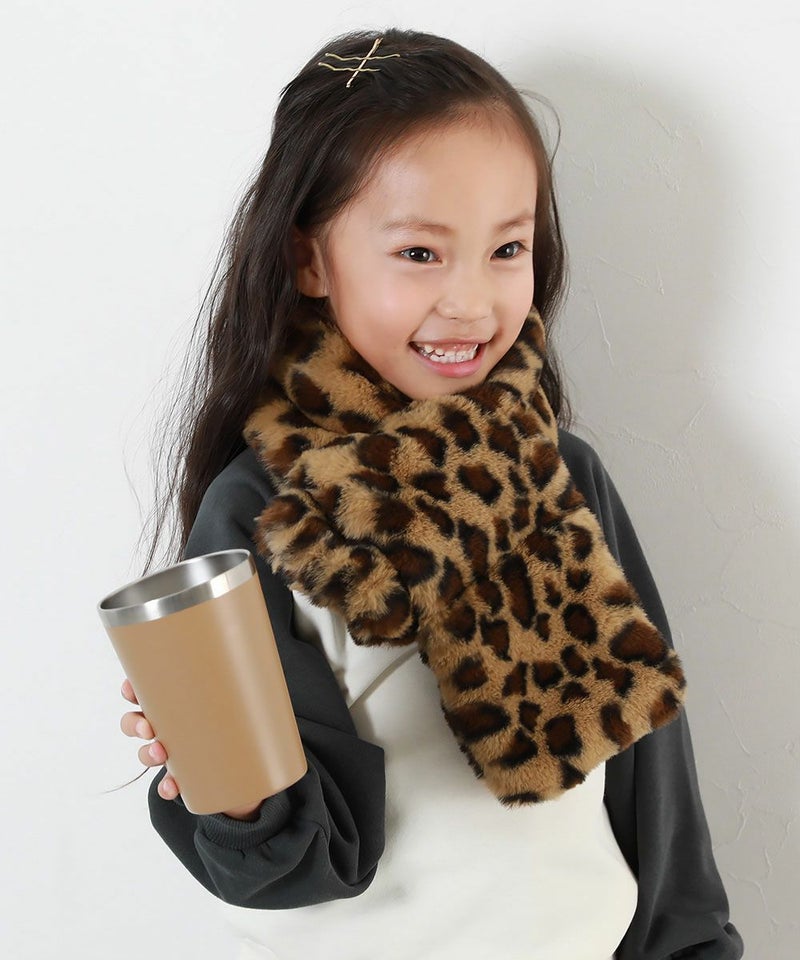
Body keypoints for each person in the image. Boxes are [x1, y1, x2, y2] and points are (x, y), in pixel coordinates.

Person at [119, 28, 743, 960]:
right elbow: (303, 865)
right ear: (309, 260)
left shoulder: (560, 475)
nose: (472, 302)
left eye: (508, 248)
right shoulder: (260, 510)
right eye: (420, 253)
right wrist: (229, 788)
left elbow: (655, 793)